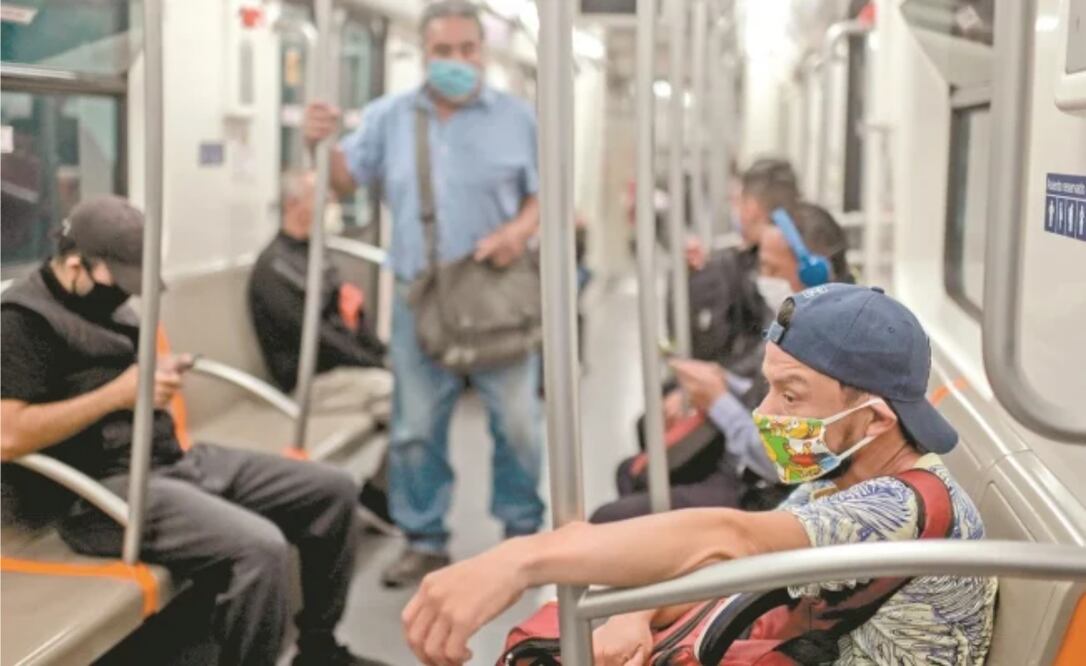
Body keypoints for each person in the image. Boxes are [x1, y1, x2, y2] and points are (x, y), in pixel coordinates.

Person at [403, 283, 998, 666]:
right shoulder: (840, 476)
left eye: (791, 396)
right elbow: (731, 568)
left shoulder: (896, 508)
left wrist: (524, 559)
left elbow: (729, 538)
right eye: (769, 388)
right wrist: (636, 613)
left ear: (874, 419)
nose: (765, 413)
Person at [0, 196, 386, 666]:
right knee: (260, 550)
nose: (126, 295)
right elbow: (9, 435)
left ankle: (319, 650)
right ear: (76, 263)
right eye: (119, 281)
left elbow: (123, 381)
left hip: (171, 460)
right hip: (102, 493)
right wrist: (118, 395)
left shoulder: (107, 304)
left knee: (333, 490)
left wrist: (155, 377)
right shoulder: (21, 322)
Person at [303, 0, 544, 588]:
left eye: (468, 49)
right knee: (414, 429)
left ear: (483, 53)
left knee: (517, 423)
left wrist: (516, 233)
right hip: (421, 297)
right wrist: (320, 144)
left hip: (496, 292)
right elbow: (343, 182)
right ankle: (424, 538)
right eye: (443, 51)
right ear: (423, 54)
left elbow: (544, 198)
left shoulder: (518, 119)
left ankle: (523, 533)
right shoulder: (388, 117)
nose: (457, 61)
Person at [595, 202, 852, 523]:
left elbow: (781, 461)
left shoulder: (826, 351)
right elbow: (758, 386)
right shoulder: (792, 322)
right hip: (743, 463)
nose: (761, 279)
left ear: (813, 274)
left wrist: (718, 401)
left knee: (607, 516)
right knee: (631, 472)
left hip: (761, 492)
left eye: (771, 269)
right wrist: (722, 380)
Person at [249, 169, 394, 531]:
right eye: (321, 197)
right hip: (307, 382)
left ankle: (384, 490)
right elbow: (316, 339)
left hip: (341, 371)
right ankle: (379, 495)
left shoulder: (316, 255)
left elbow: (345, 315)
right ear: (294, 205)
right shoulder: (275, 269)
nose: (331, 204)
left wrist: (379, 351)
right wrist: (377, 364)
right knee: (399, 394)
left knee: (411, 389)